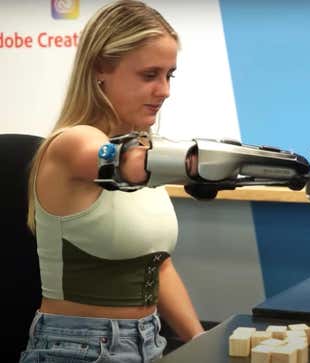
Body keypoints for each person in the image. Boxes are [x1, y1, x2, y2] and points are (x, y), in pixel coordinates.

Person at [20, 1, 204, 362]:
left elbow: (158, 264)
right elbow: (122, 163)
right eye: (150, 75)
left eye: (170, 75)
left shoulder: (145, 151)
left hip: (150, 342)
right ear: (101, 69)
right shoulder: (73, 144)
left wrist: (199, 341)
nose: (164, 90)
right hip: (77, 349)